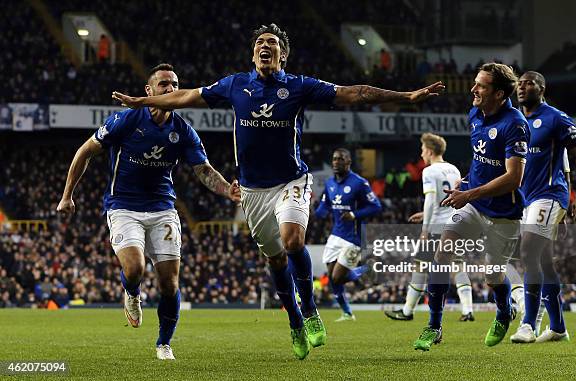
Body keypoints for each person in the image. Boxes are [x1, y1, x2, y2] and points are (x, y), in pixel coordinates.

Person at [111, 23, 444, 360]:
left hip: (291, 181)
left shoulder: (300, 87)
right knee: (275, 259)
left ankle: (311, 311)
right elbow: (186, 96)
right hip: (253, 191)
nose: (264, 46)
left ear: (282, 54)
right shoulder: (235, 85)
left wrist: (406, 97)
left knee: (293, 240)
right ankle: (296, 322)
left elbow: (353, 92)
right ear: (253, 54)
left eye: (271, 43)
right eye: (259, 43)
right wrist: (141, 101)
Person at [57, 63, 240, 360]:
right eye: (164, 84)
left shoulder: (182, 130)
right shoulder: (127, 120)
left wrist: (225, 189)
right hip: (123, 207)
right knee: (134, 268)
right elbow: (84, 152)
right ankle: (131, 293)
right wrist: (67, 196)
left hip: (163, 209)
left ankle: (164, 343)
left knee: (170, 284)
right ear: (149, 91)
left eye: (175, 84)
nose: (170, 89)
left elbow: (204, 170)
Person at [412, 63, 529, 351]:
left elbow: (514, 178)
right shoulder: (475, 114)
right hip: (474, 204)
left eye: (481, 86)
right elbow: (483, 160)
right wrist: (467, 185)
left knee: (492, 276)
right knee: (442, 253)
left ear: (499, 93)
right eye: (475, 83)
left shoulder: (515, 124)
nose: (473, 89)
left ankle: (504, 311)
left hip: (504, 213)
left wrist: (470, 192)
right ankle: (434, 326)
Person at [510, 71, 576, 343]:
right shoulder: (516, 121)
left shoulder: (556, 117)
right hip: (525, 199)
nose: (522, 87)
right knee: (544, 261)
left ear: (542, 89)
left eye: (528, 83)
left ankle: (528, 324)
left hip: (549, 194)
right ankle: (558, 327)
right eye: (519, 84)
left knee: (528, 249)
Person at [385, 133, 475, 322]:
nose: (421, 153)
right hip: (455, 225)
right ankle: (468, 310)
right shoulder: (454, 170)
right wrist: (426, 214)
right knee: (457, 265)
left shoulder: (429, 171)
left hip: (437, 228)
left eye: (423, 149)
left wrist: (425, 229)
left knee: (420, 267)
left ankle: (408, 311)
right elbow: (450, 200)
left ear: (430, 151)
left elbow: (431, 200)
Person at [315, 148, 382, 322]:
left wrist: (354, 214)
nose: (336, 162)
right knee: (332, 278)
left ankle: (367, 268)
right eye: (334, 159)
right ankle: (347, 313)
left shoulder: (359, 183)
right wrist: (308, 208)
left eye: (341, 159)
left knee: (338, 277)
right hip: (336, 235)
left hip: (354, 238)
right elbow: (323, 209)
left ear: (349, 162)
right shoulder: (330, 183)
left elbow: (376, 206)